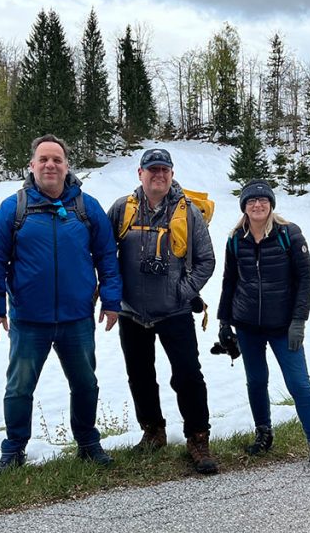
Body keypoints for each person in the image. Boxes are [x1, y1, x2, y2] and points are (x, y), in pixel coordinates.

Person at [0, 134, 121, 472]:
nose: (50, 165)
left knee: (85, 383)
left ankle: (88, 442)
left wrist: (111, 299)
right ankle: (14, 449)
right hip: (29, 320)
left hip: (77, 318)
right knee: (19, 387)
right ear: (31, 166)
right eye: (43, 159)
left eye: (57, 160)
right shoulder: (13, 208)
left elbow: (107, 255)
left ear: (66, 166)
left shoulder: (86, 207)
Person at [216, 179, 310, 477]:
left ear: (271, 204)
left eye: (263, 200)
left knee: (299, 383)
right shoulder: (235, 239)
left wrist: (299, 321)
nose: (257, 205)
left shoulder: (289, 235)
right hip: (247, 325)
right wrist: (224, 322)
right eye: (251, 201)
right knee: (256, 381)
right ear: (244, 206)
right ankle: (264, 434)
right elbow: (229, 281)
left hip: (284, 327)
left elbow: (306, 280)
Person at [107, 148, 219, 474]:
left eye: (164, 170)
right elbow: (101, 251)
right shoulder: (121, 209)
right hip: (132, 313)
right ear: (139, 174)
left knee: (187, 376)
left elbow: (206, 261)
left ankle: (198, 437)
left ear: (171, 174)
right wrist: (112, 294)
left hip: (175, 312)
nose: (159, 175)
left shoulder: (188, 212)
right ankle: (153, 432)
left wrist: (181, 293)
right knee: (140, 377)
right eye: (152, 169)